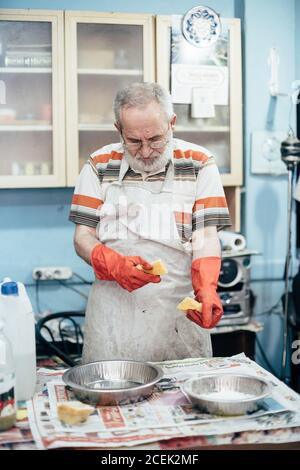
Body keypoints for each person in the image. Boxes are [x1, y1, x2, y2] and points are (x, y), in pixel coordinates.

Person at [69, 82, 231, 363]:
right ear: (119, 129)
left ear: (172, 123)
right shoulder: (98, 164)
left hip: (176, 315)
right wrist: (113, 263)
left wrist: (207, 288)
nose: (145, 151)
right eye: (134, 141)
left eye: (155, 139)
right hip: (113, 317)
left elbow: (205, 237)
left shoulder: (200, 163)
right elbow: (83, 237)